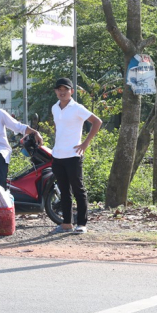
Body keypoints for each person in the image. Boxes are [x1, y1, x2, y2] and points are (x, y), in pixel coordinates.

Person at [49, 77, 103, 235]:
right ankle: (66, 223)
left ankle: (81, 223)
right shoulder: (55, 107)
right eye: (59, 89)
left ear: (71, 91)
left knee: (78, 190)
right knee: (63, 191)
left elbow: (97, 122)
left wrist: (85, 143)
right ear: (56, 91)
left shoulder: (77, 107)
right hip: (58, 155)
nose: (62, 92)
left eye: (65, 89)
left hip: (73, 155)